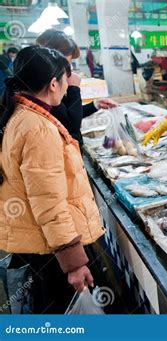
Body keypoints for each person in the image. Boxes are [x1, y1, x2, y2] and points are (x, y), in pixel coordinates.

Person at [0, 45, 104, 313]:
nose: (69, 89)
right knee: (59, 310)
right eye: (66, 81)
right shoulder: (38, 130)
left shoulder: (20, 113)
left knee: (46, 303)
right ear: (53, 83)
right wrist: (74, 262)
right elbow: (49, 202)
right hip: (50, 248)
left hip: (39, 242)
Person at [36, 29, 118, 145]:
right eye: (66, 63)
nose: (68, 68)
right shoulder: (46, 90)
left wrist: (95, 105)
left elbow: (68, 115)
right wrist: (73, 88)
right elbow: (72, 125)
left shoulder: (49, 84)